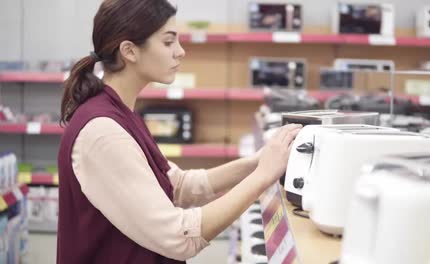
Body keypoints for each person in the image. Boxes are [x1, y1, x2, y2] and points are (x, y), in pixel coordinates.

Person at [57, 0, 302, 263]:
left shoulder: (122, 114)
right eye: (168, 42)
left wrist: (256, 163)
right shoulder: (103, 133)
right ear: (129, 51)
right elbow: (179, 237)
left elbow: (178, 186)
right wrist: (263, 177)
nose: (180, 52)